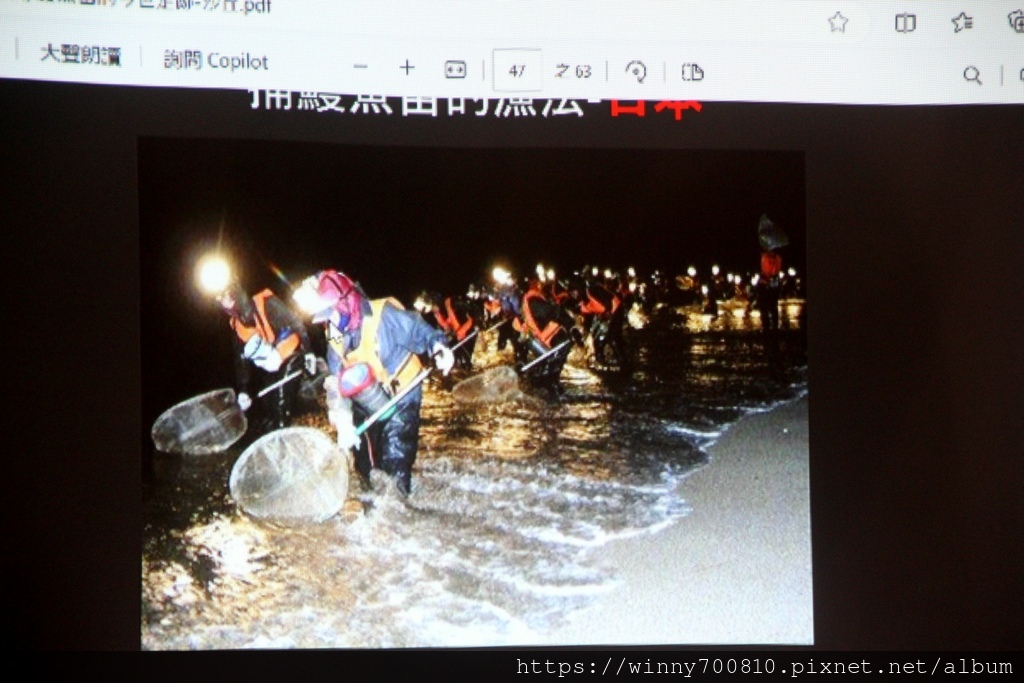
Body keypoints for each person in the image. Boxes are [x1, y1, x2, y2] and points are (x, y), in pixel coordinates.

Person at [295, 270, 454, 495]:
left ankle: (400, 511)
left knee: (395, 458)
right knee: (366, 466)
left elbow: (421, 331)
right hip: (367, 394)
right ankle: (373, 511)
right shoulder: (334, 332)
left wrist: (439, 347)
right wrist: (342, 422)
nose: (329, 324)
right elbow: (336, 379)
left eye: (331, 315)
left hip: (402, 393)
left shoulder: (384, 315)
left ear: (345, 303)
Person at [215, 281, 317, 430]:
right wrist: (243, 390)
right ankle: (280, 432)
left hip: (292, 354)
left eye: (227, 294)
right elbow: (241, 359)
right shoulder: (237, 325)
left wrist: (308, 352)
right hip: (271, 365)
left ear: (236, 292)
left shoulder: (265, 302)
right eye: (220, 298)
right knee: (269, 407)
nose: (225, 300)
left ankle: (284, 437)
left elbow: (294, 322)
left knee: (280, 405)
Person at [514, 278, 578, 385]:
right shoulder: (533, 299)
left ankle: (546, 382)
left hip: (549, 336)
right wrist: (570, 324)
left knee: (554, 363)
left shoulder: (537, 299)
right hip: (550, 337)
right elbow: (552, 312)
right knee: (553, 364)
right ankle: (548, 385)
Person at [566, 276, 627, 367]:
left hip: (617, 309)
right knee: (597, 341)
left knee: (613, 337)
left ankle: (623, 360)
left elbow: (608, 301)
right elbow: (587, 320)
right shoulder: (583, 304)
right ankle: (600, 361)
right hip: (606, 316)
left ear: (579, 289)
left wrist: (607, 313)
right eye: (572, 294)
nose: (574, 296)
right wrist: (586, 333)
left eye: (575, 292)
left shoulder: (592, 290)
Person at [758, 248, 783, 331]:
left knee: (768, 306)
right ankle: (771, 326)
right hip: (770, 284)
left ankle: (769, 326)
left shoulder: (768, 257)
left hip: (768, 284)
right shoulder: (775, 257)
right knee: (771, 307)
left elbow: (767, 270)